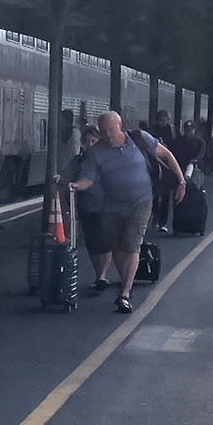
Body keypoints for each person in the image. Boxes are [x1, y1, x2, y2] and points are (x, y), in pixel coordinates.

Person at [70, 111, 186, 314]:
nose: (108, 134)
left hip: (141, 201)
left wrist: (181, 181)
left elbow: (166, 155)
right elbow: (88, 178)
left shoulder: (139, 138)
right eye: (103, 131)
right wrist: (76, 185)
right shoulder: (96, 153)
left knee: (132, 245)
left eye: (111, 129)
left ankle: (124, 293)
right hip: (111, 206)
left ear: (120, 125)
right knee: (117, 248)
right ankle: (126, 284)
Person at [68, 124, 112, 292]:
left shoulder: (108, 159)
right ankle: (98, 274)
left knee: (105, 242)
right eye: (87, 142)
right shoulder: (79, 161)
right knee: (92, 243)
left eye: (93, 141)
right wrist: (61, 178)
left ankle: (102, 276)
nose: (90, 144)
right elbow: (67, 173)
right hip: (86, 206)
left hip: (106, 206)